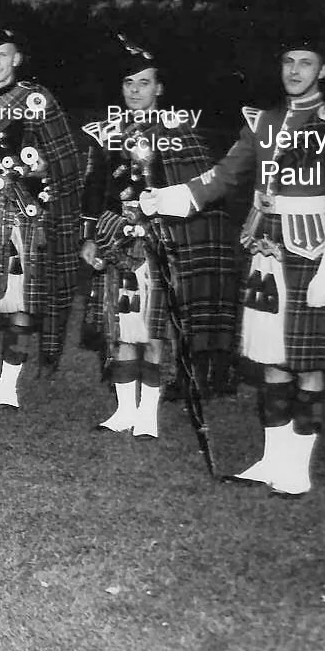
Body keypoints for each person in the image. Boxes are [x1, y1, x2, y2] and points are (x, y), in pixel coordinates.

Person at [139, 38, 325, 496]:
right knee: (270, 361)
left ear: (323, 71)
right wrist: (168, 197)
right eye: (288, 61)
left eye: (306, 63)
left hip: (313, 254)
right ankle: (271, 458)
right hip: (266, 250)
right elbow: (223, 175)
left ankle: (297, 467)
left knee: (308, 364)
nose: (296, 70)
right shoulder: (265, 123)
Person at [79, 37, 220, 438]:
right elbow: (94, 187)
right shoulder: (106, 132)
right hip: (116, 238)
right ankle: (124, 411)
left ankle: (148, 415)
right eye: (128, 84)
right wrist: (90, 235)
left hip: (162, 241)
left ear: (159, 88)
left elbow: (197, 188)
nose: (135, 91)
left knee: (154, 329)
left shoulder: (179, 131)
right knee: (120, 325)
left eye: (143, 83)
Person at [0, 21, 85, 391]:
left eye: (3, 55)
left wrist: (41, 169)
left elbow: (63, 157)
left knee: (23, 301)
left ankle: (9, 385)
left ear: (18, 58)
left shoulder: (36, 99)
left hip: (26, 207)